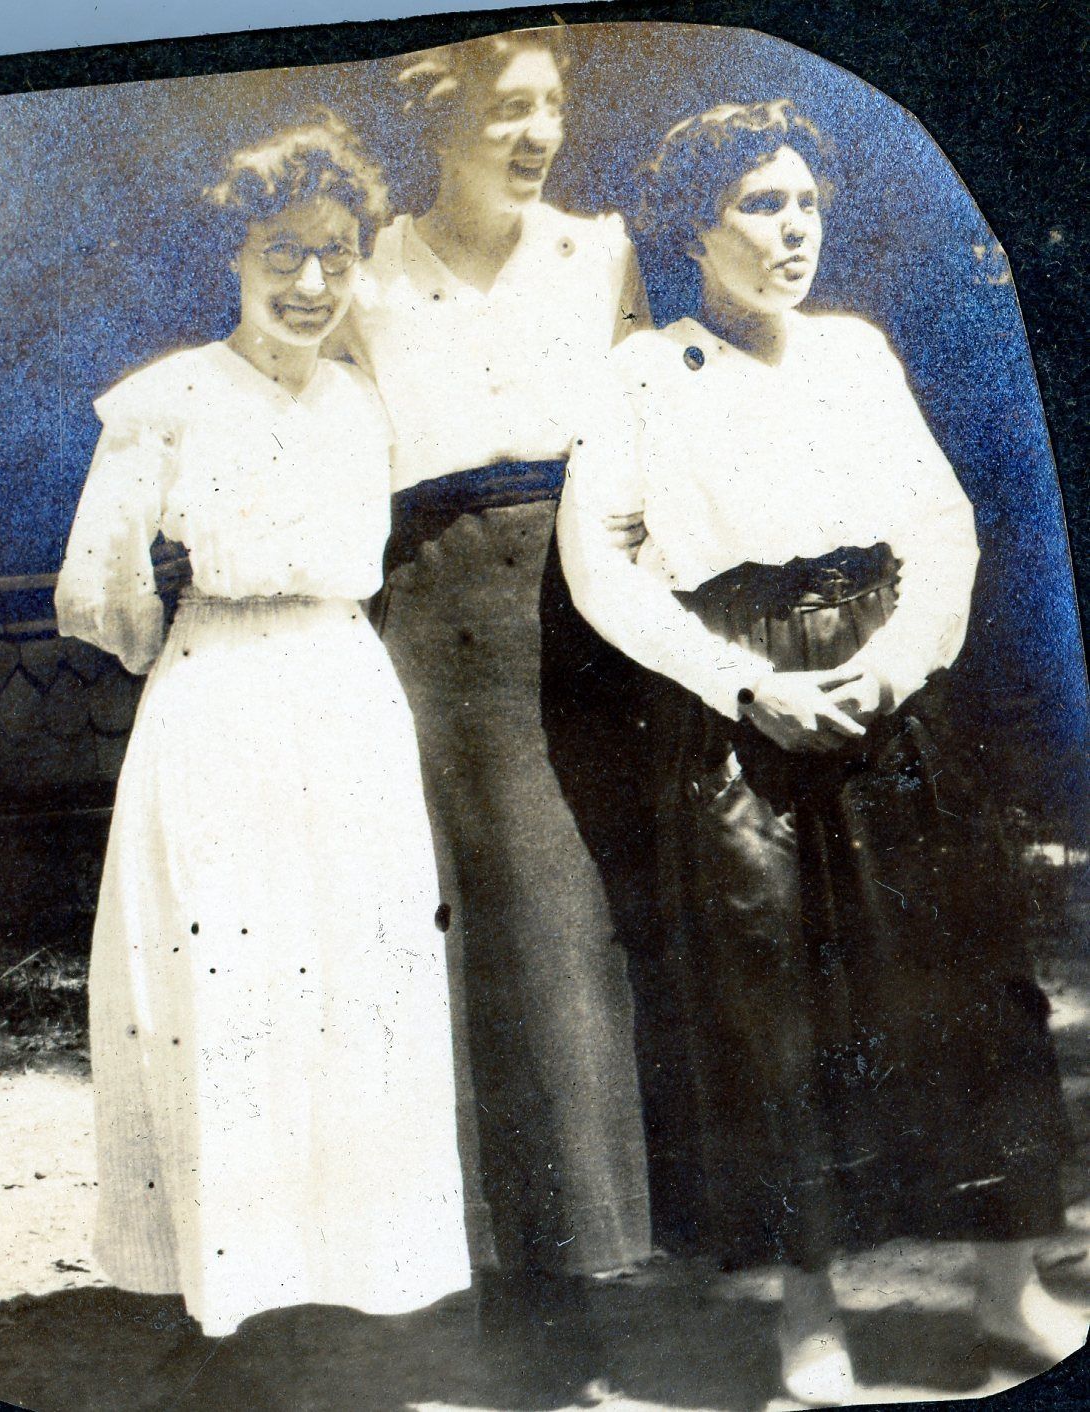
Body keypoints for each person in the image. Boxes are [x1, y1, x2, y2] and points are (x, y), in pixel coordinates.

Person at [558, 99, 1084, 1403]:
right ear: (694, 229)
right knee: (772, 1007)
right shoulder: (642, 374)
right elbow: (598, 564)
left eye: (806, 205)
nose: (793, 231)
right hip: (742, 709)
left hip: (887, 691)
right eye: (760, 206)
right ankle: (809, 1317)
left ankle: (1009, 1285)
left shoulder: (855, 352)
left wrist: (897, 662)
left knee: (972, 973)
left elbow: (941, 526)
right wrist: (741, 683)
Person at [55, 112, 470, 1339]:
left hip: (343, 692)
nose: (310, 282)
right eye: (283, 251)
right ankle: (236, 1284)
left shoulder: (362, 403)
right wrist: (175, 644)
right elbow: (98, 587)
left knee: (351, 966)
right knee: (228, 975)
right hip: (221, 692)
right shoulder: (167, 400)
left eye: (336, 253)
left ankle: (350, 1273)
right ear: (234, 256)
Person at [334, 25, 654, 1384]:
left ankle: (592, 1266)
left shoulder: (600, 254)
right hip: (434, 619)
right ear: (440, 119)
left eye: (552, 107)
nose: (539, 135)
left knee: (575, 928)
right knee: (469, 933)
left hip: (583, 611)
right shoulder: (367, 280)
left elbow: (648, 436)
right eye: (510, 108)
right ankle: (493, 1277)